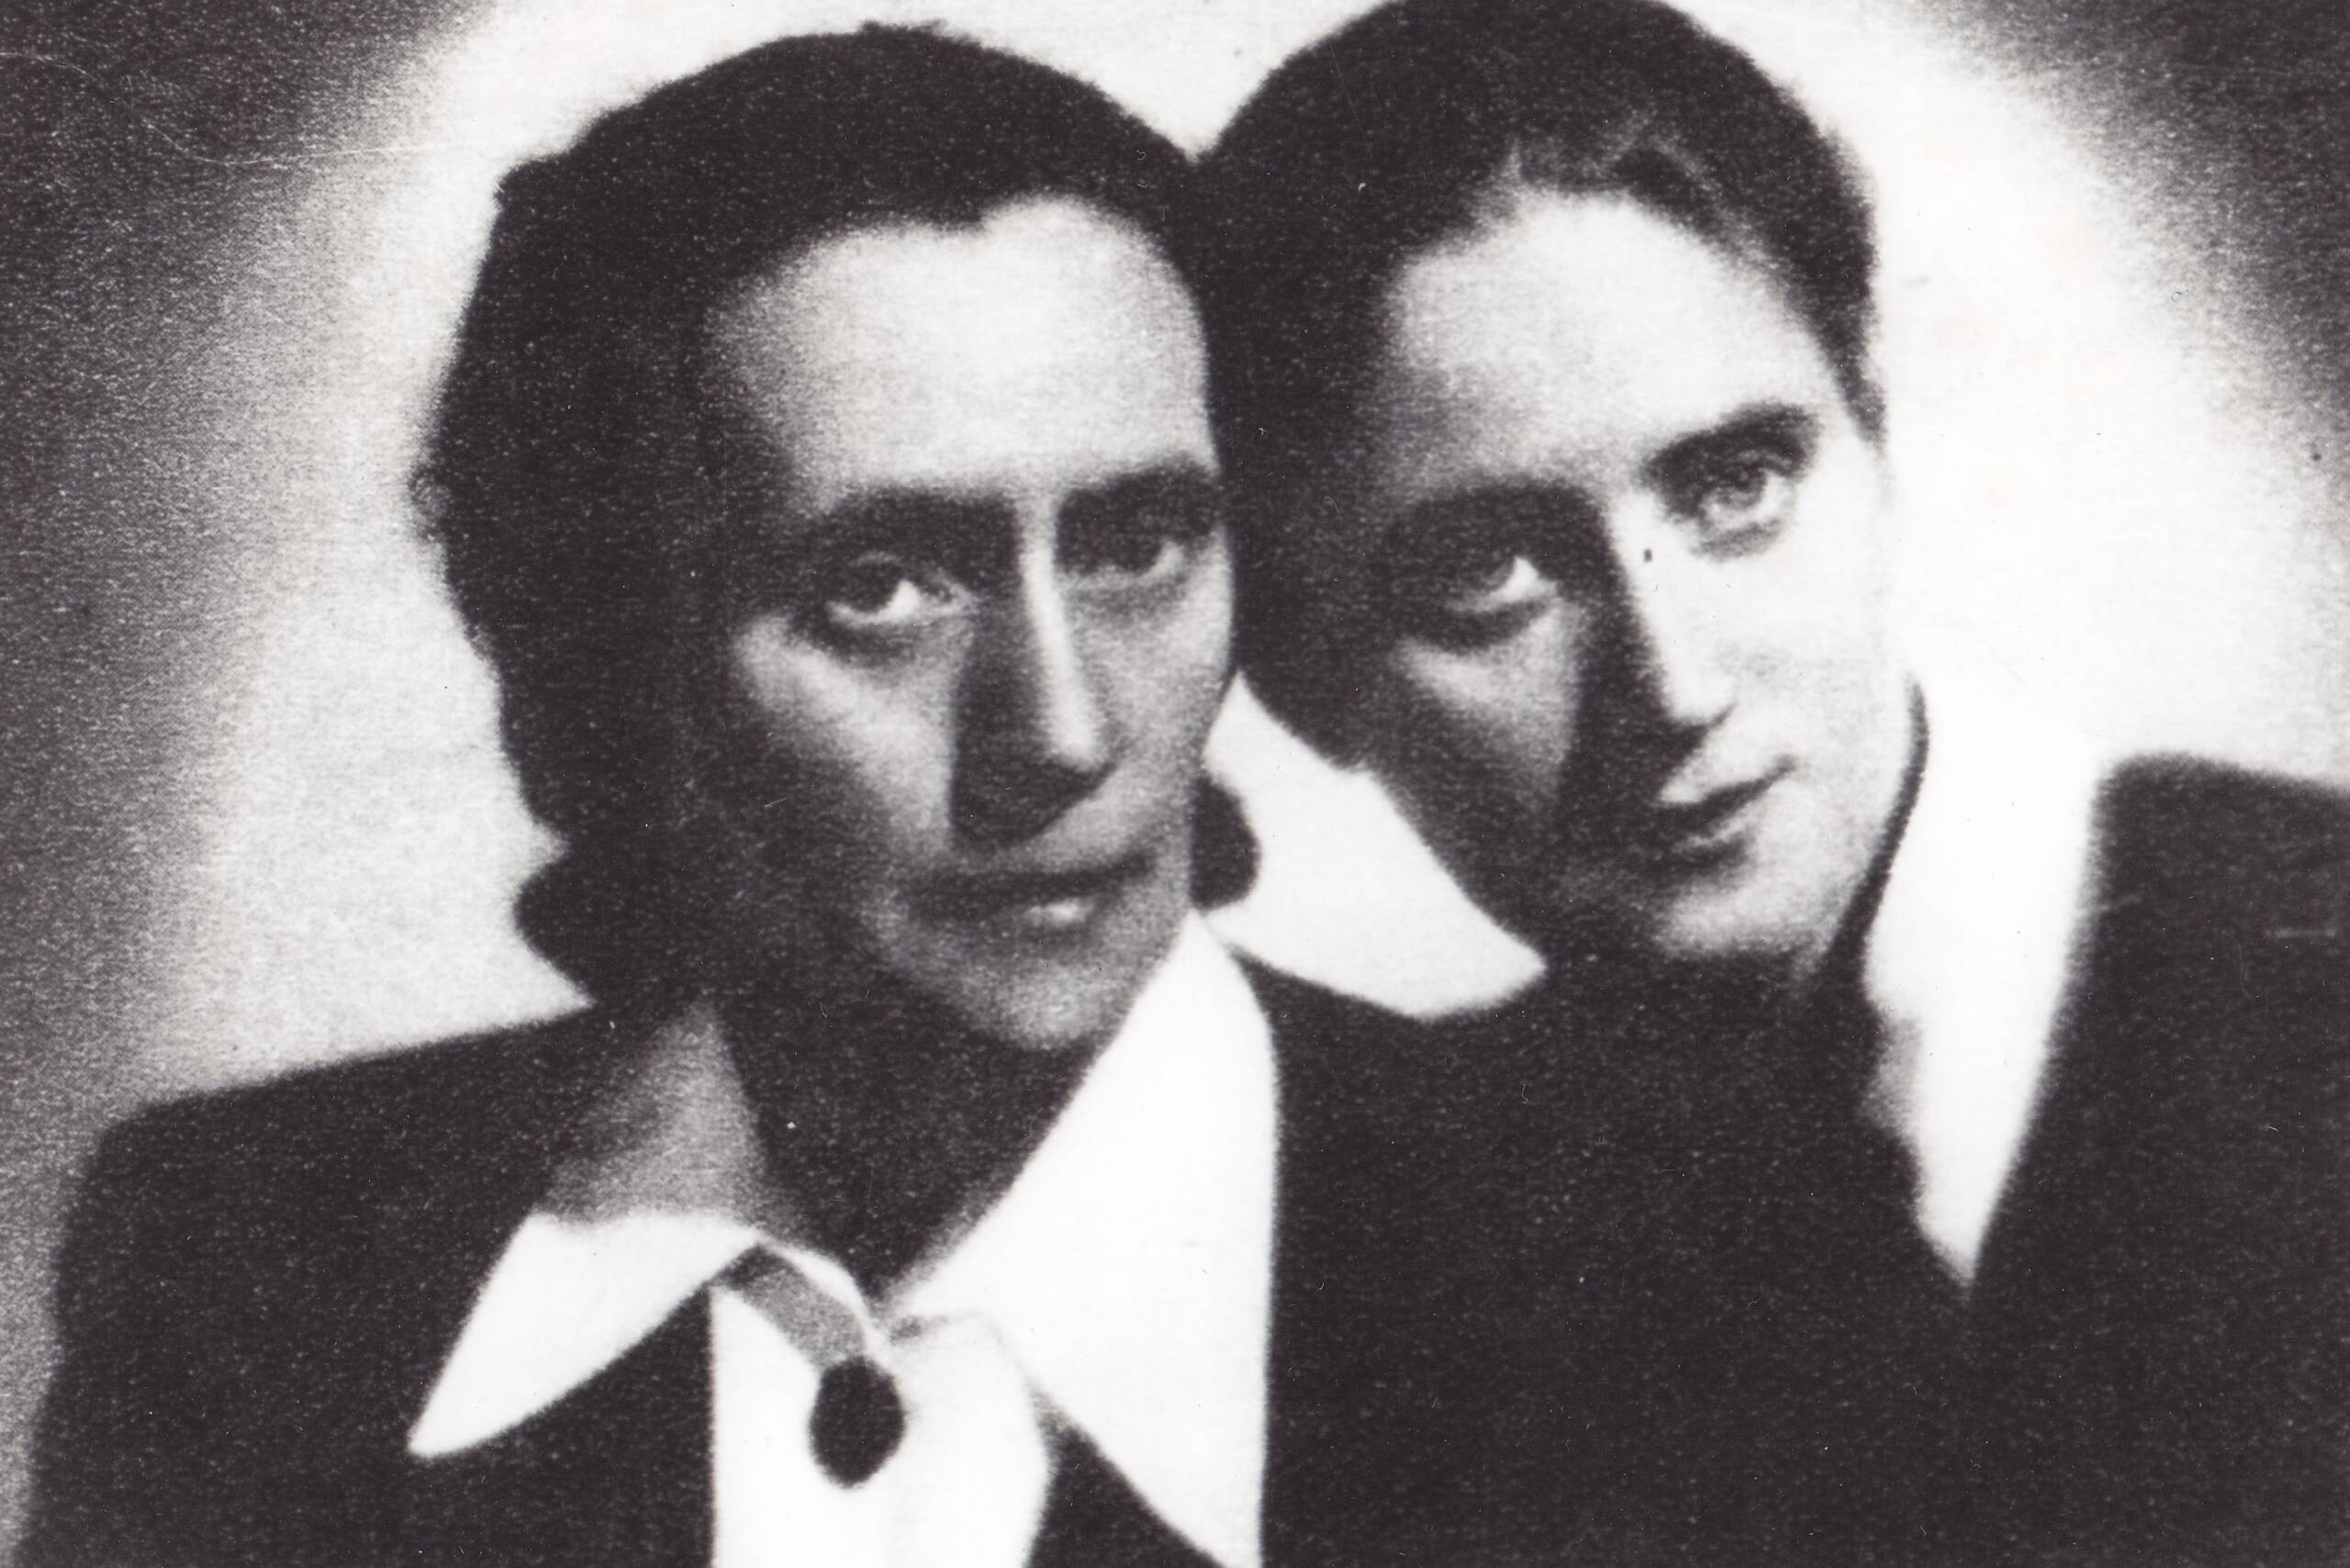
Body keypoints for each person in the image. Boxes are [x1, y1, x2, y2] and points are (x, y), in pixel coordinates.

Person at [25, 28, 1458, 1568]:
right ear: (610, 661)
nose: (1061, 730)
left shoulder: (1573, 1232)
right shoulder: (250, 1257)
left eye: (1135, 546)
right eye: (883, 586)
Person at [1197, 0, 2350, 1562]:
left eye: (1735, 485)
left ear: (1875, 435)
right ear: (1298, 679)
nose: (1672, 685)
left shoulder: (2309, 971)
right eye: (1490, 570)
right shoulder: (1406, 1230)